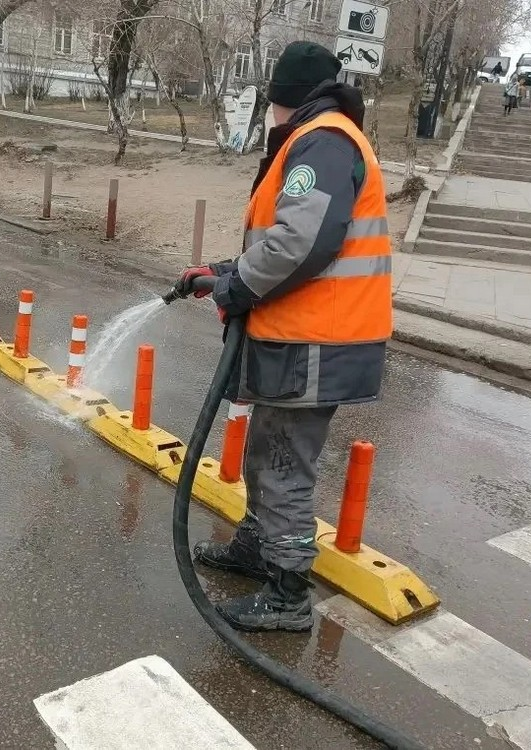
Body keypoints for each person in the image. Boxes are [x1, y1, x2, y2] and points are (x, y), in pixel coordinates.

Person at [173, 41, 392, 633]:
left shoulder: (321, 142)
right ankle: (257, 547)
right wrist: (223, 272)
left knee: (284, 465)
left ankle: (288, 595)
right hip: (308, 334)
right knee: (266, 450)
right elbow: (290, 240)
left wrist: (237, 289)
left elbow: (302, 243)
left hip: (317, 339)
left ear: (282, 98)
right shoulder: (324, 138)